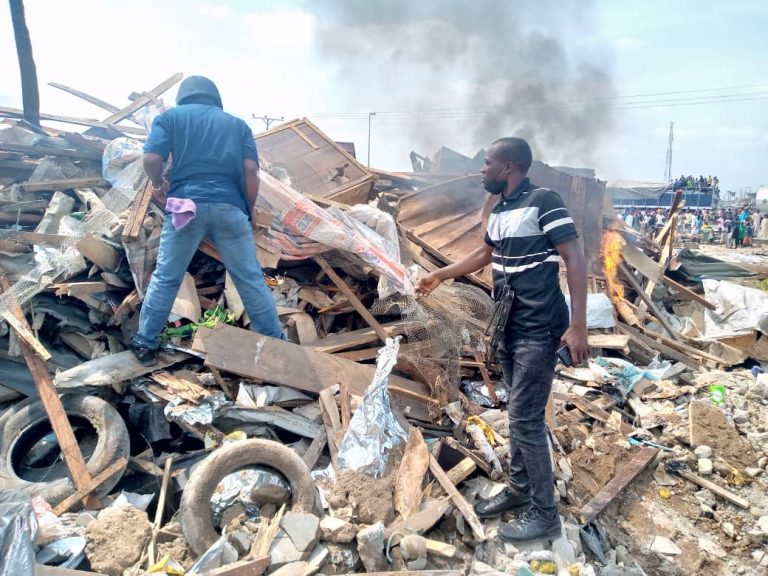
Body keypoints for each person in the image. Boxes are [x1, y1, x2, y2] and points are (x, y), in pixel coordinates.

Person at [416, 137, 588, 541]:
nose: (482, 169)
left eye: (488, 163)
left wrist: (578, 324)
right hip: (508, 324)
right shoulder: (501, 209)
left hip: (539, 327)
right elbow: (484, 256)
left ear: (508, 167)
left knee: (526, 419)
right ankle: (518, 490)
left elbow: (575, 257)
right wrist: (440, 274)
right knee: (518, 413)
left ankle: (545, 514)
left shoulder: (545, 201)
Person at [131, 76, 283, 366]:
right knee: (249, 279)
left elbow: (150, 159)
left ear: (183, 98)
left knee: (167, 277)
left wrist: (158, 183)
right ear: (215, 98)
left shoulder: (170, 118)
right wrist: (247, 209)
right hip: (230, 209)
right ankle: (275, 343)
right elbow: (251, 171)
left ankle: (145, 342)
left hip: (185, 207)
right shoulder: (238, 125)